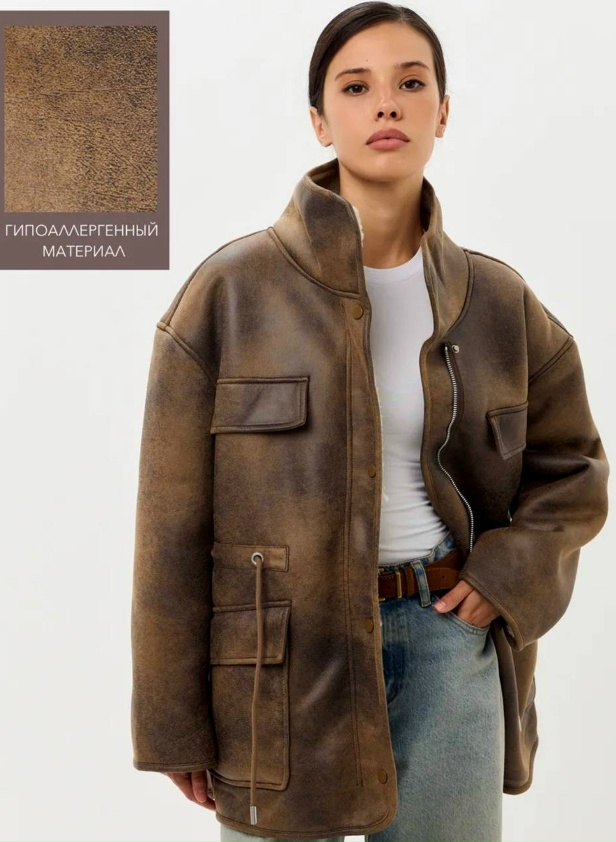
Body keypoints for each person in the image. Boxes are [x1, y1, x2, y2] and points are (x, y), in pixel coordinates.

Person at [130, 4, 609, 842]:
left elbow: (575, 472)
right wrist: (174, 721)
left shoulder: (501, 304)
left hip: (448, 648)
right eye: (356, 87)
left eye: (410, 83)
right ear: (320, 120)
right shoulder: (229, 294)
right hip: (278, 671)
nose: (386, 103)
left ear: (442, 112)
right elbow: (170, 529)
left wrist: (505, 579)